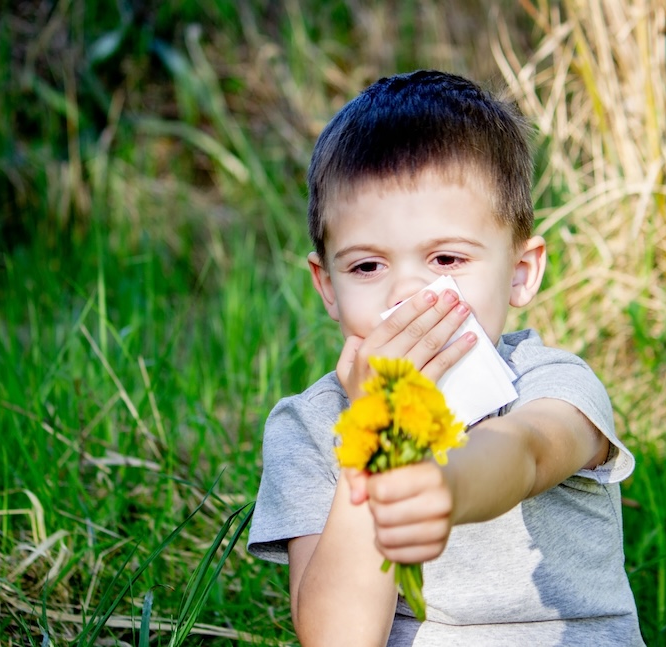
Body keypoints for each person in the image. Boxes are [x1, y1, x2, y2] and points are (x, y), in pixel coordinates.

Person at [247, 70, 644, 646]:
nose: (407, 293)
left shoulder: (550, 382)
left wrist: (443, 486)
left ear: (520, 271)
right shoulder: (309, 428)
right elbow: (337, 640)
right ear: (328, 285)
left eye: (447, 259)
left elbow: (527, 455)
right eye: (366, 266)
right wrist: (378, 440)